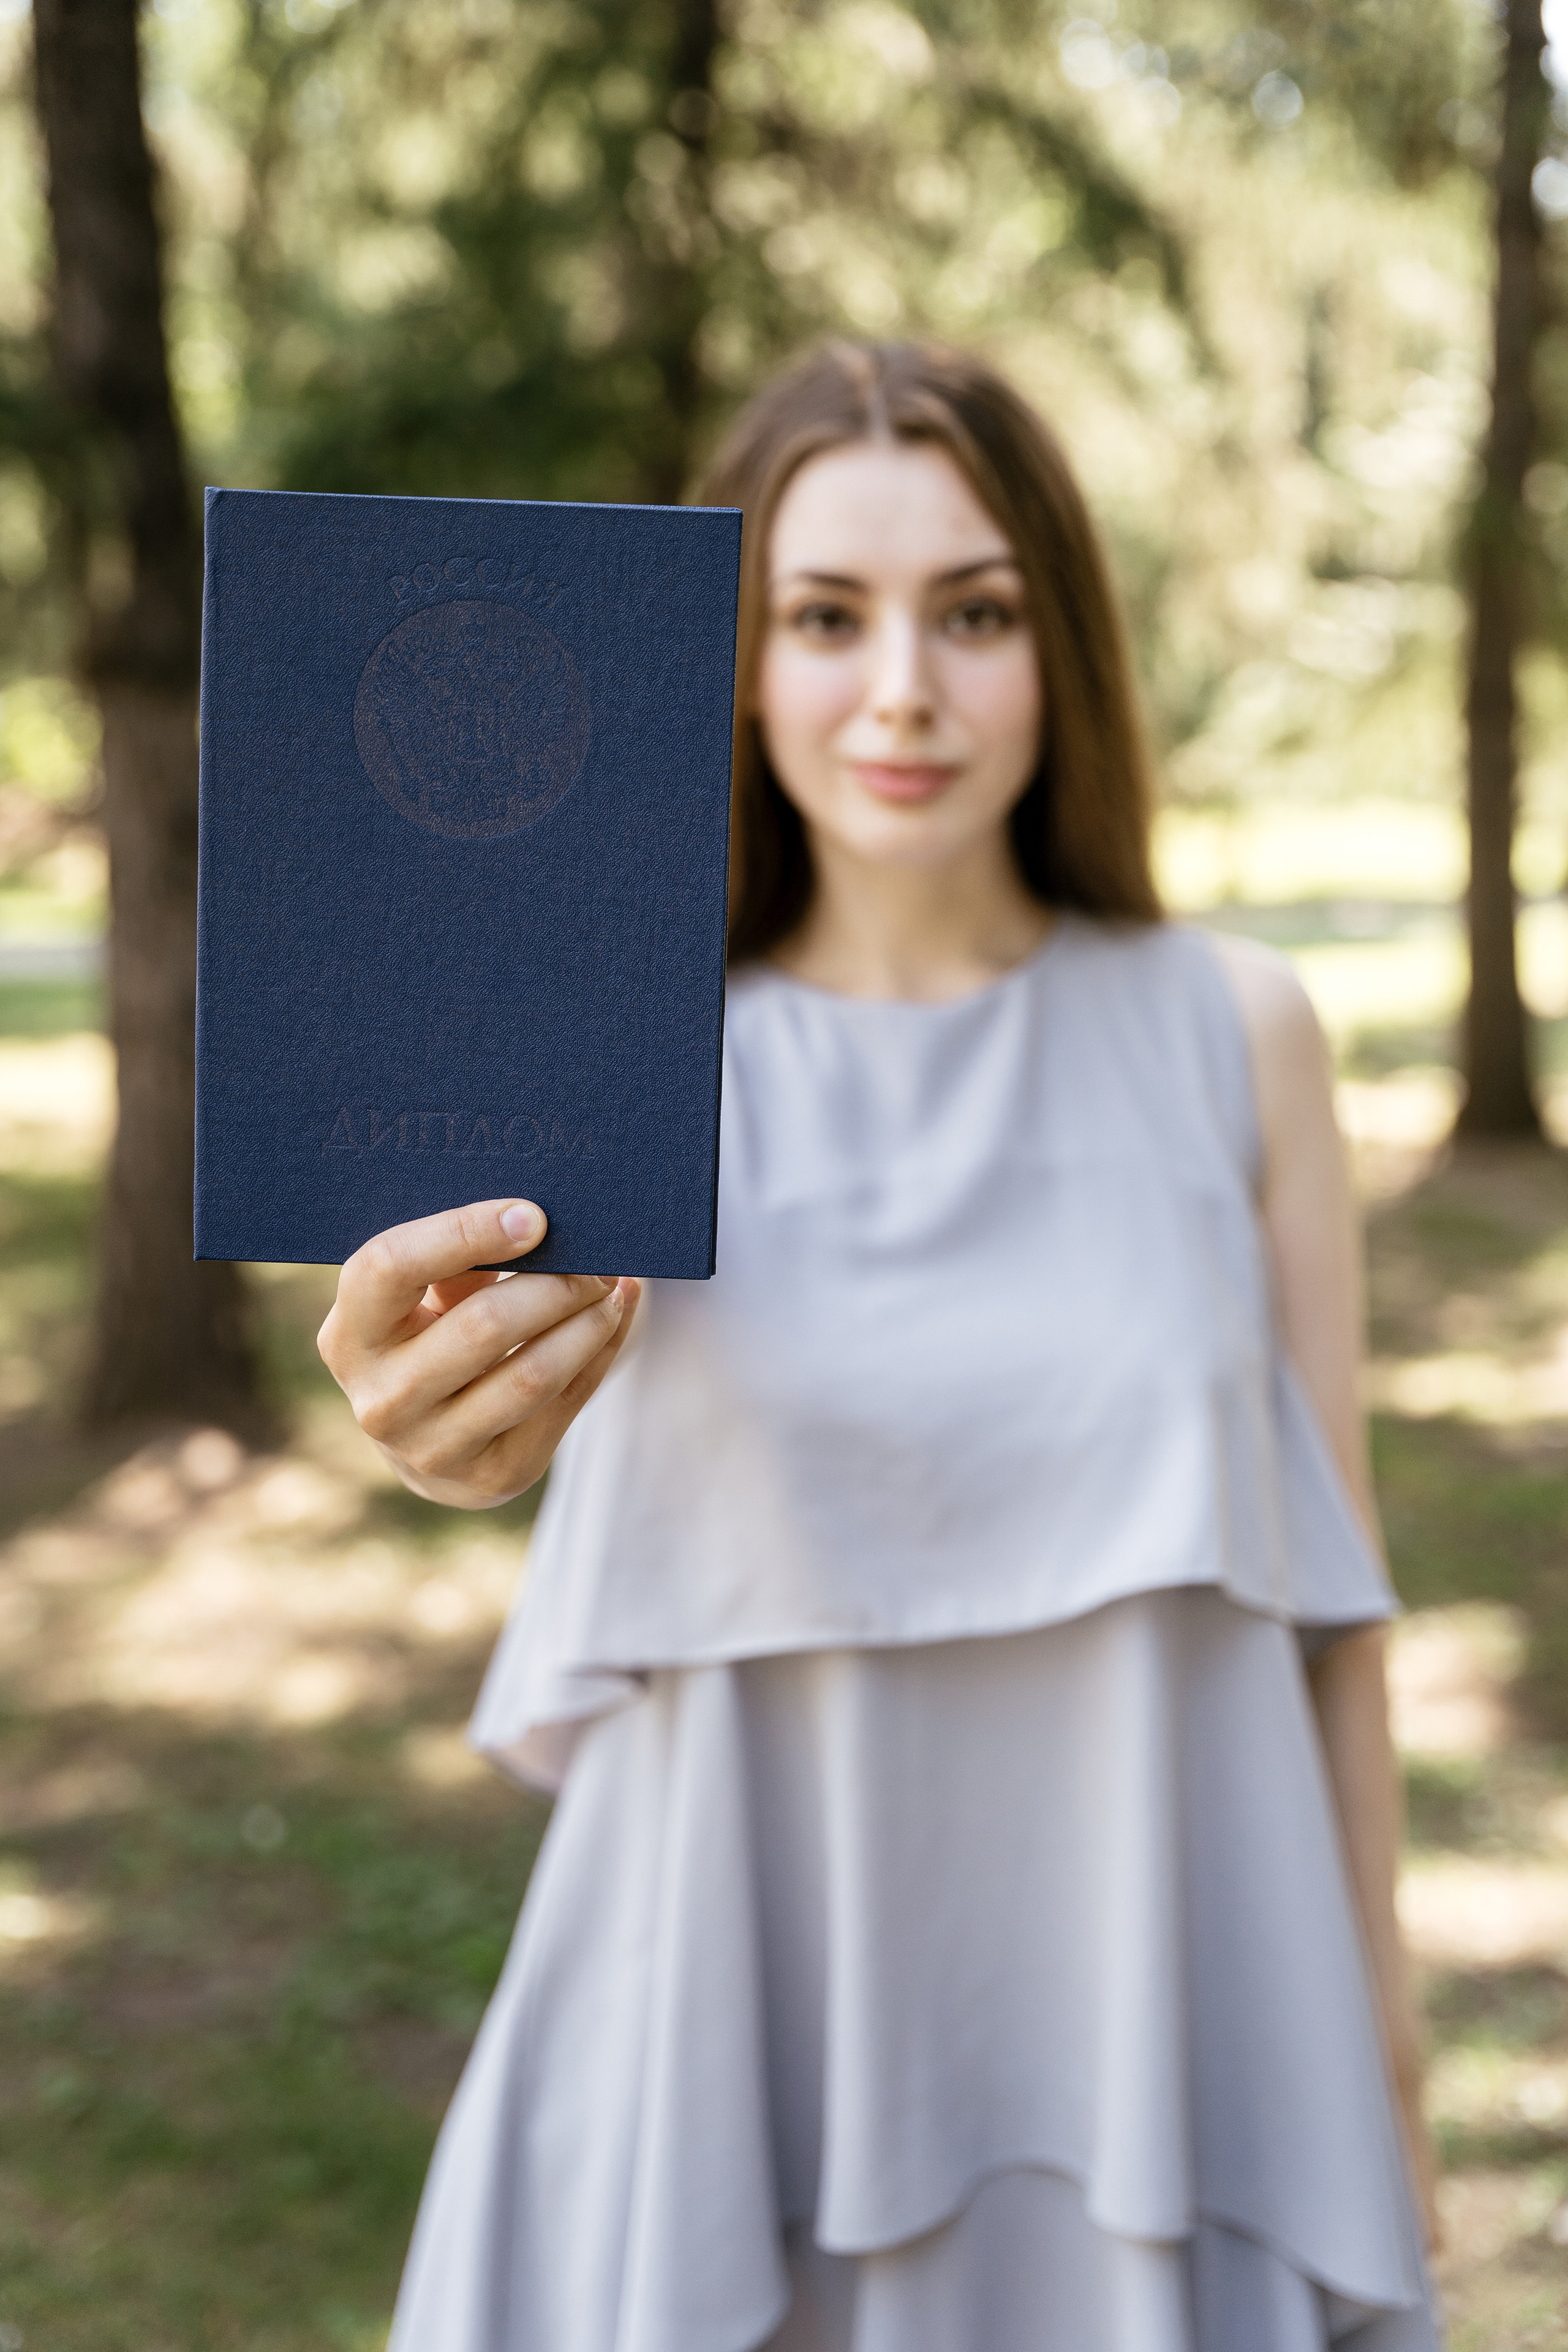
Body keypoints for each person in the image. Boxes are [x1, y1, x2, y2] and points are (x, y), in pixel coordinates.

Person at [319, 341, 1444, 2351]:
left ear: (1062, 647)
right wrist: (433, 1419)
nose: (904, 686)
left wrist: (1380, 2039)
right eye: (826, 616)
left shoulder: (1237, 1032)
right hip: (715, 2040)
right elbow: (464, 1399)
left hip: (1167, 2030)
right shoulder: (606, 1064)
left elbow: (1332, 1607)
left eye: (977, 611)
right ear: (733, 662)